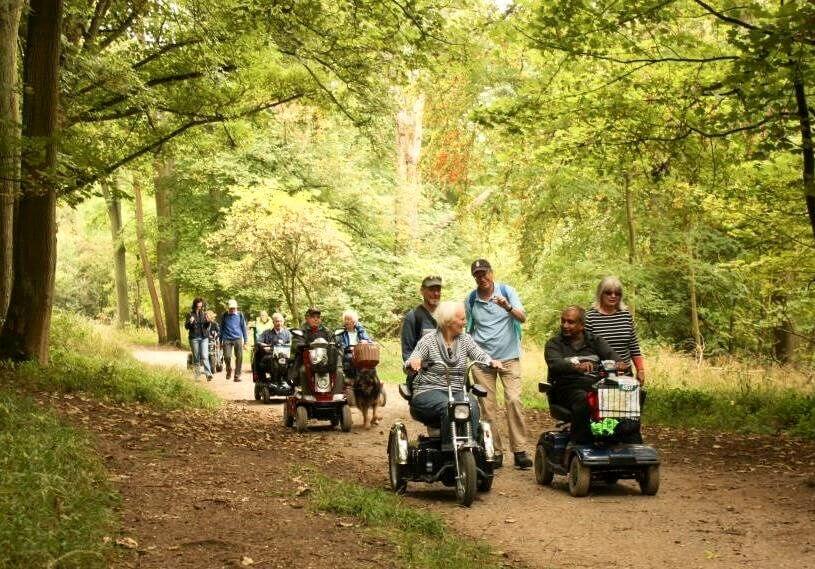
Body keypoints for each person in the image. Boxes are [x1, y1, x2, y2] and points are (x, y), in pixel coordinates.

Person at [406, 301, 503, 450]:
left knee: (472, 405)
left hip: (457, 390)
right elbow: (413, 359)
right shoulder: (428, 340)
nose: (465, 322)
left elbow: (478, 354)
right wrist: (414, 362)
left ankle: (470, 448)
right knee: (449, 407)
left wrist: (490, 362)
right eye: (462, 319)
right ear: (448, 321)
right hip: (428, 390)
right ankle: (448, 450)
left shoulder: (465, 339)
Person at [465, 259, 532, 469]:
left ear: (491, 273)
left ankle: (519, 450)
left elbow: (522, 318)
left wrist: (507, 306)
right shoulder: (471, 299)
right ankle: (494, 451)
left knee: (513, 400)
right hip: (482, 362)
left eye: (484, 273)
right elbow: (467, 329)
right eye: (477, 275)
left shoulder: (507, 291)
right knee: (487, 407)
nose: (481, 278)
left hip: (509, 358)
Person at [544, 305, 625, 445]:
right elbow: (555, 364)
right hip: (566, 388)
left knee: (626, 398)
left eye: (570, 322)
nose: (565, 325)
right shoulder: (554, 343)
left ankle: (623, 440)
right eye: (563, 321)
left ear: (582, 325)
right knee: (585, 399)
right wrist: (577, 367)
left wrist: (620, 365)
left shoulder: (596, 341)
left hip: (596, 386)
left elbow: (614, 358)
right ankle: (578, 443)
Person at [585, 276, 646, 384]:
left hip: (625, 374)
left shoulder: (626, 315)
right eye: (608, 293)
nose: (613, 296)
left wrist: (640, 370)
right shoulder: (590, 317)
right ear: (600, 294)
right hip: (599, 376)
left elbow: (633, 346)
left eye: (617, 293)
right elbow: (585, 349)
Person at [400, 275, 442, 365]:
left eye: (438, 290)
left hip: (445, 373)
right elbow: (407, 353)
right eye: (431, 290)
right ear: (422, 291)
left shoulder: (448, 314)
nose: (436, 293)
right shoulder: (413, 317)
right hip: (422, 373)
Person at [289, 307, 334, 384]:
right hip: (306, 361)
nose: (316, 319)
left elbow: (333, 342)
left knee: (338, 372)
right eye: (313, 317)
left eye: (318, 317)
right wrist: (305, 345)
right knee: (303, 370)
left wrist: (335, 344)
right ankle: (300, 389)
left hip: (325, 360)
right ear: (307, 318)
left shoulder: (326, 331)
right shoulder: (300, 331)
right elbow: (296, 344)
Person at [336, 309, 373, 377]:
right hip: (347, 353)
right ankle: (355, 382)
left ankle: (375, 384)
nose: (346, 321)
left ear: (354, 321)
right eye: (345, 319)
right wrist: (350, 348)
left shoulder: (360, 331)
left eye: (349, 319)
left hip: (360, 353)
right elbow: (340, 346)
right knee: (352, 359)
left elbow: (369, 341)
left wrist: (365, 341)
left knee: (370, 362)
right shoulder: (341, 333)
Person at [253, 312, 292, 377]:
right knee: (271, 360)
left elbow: (291, 343)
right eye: (277, 321)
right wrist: (265, 346)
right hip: (270, 356)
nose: (279, 323)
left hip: (284, 357)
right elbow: (258, 341)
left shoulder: (287, 333)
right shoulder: (267, 332)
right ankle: (274, 380)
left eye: (281, 321)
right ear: (273, 322)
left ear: (283, 322)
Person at [220, 298, 248, 382]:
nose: (232, 310)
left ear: (236, 308)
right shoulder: (224, 315)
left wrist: (245, 341)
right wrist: (220, 340)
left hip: (237, 338)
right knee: (227, 356)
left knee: (239, 357)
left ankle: (237, 375)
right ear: (228, 308)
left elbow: (243, 327)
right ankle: (228, 370)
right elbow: (221, 328)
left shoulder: (240, 315)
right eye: (231, 308)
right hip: (227, 338)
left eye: (234, 308)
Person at [185, 298, 212, 380]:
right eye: (198, 305)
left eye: (201, 305)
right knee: (196, 357)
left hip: (204, 338)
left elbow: (206, 327)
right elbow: (186, 327)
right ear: (195, 304)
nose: (200, 306)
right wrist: (190, 322)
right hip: (194, 338)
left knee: (204, 356)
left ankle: (208, 374)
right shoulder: (190, 314)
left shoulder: (204, 314)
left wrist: (208, 321)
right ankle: (197, 376)